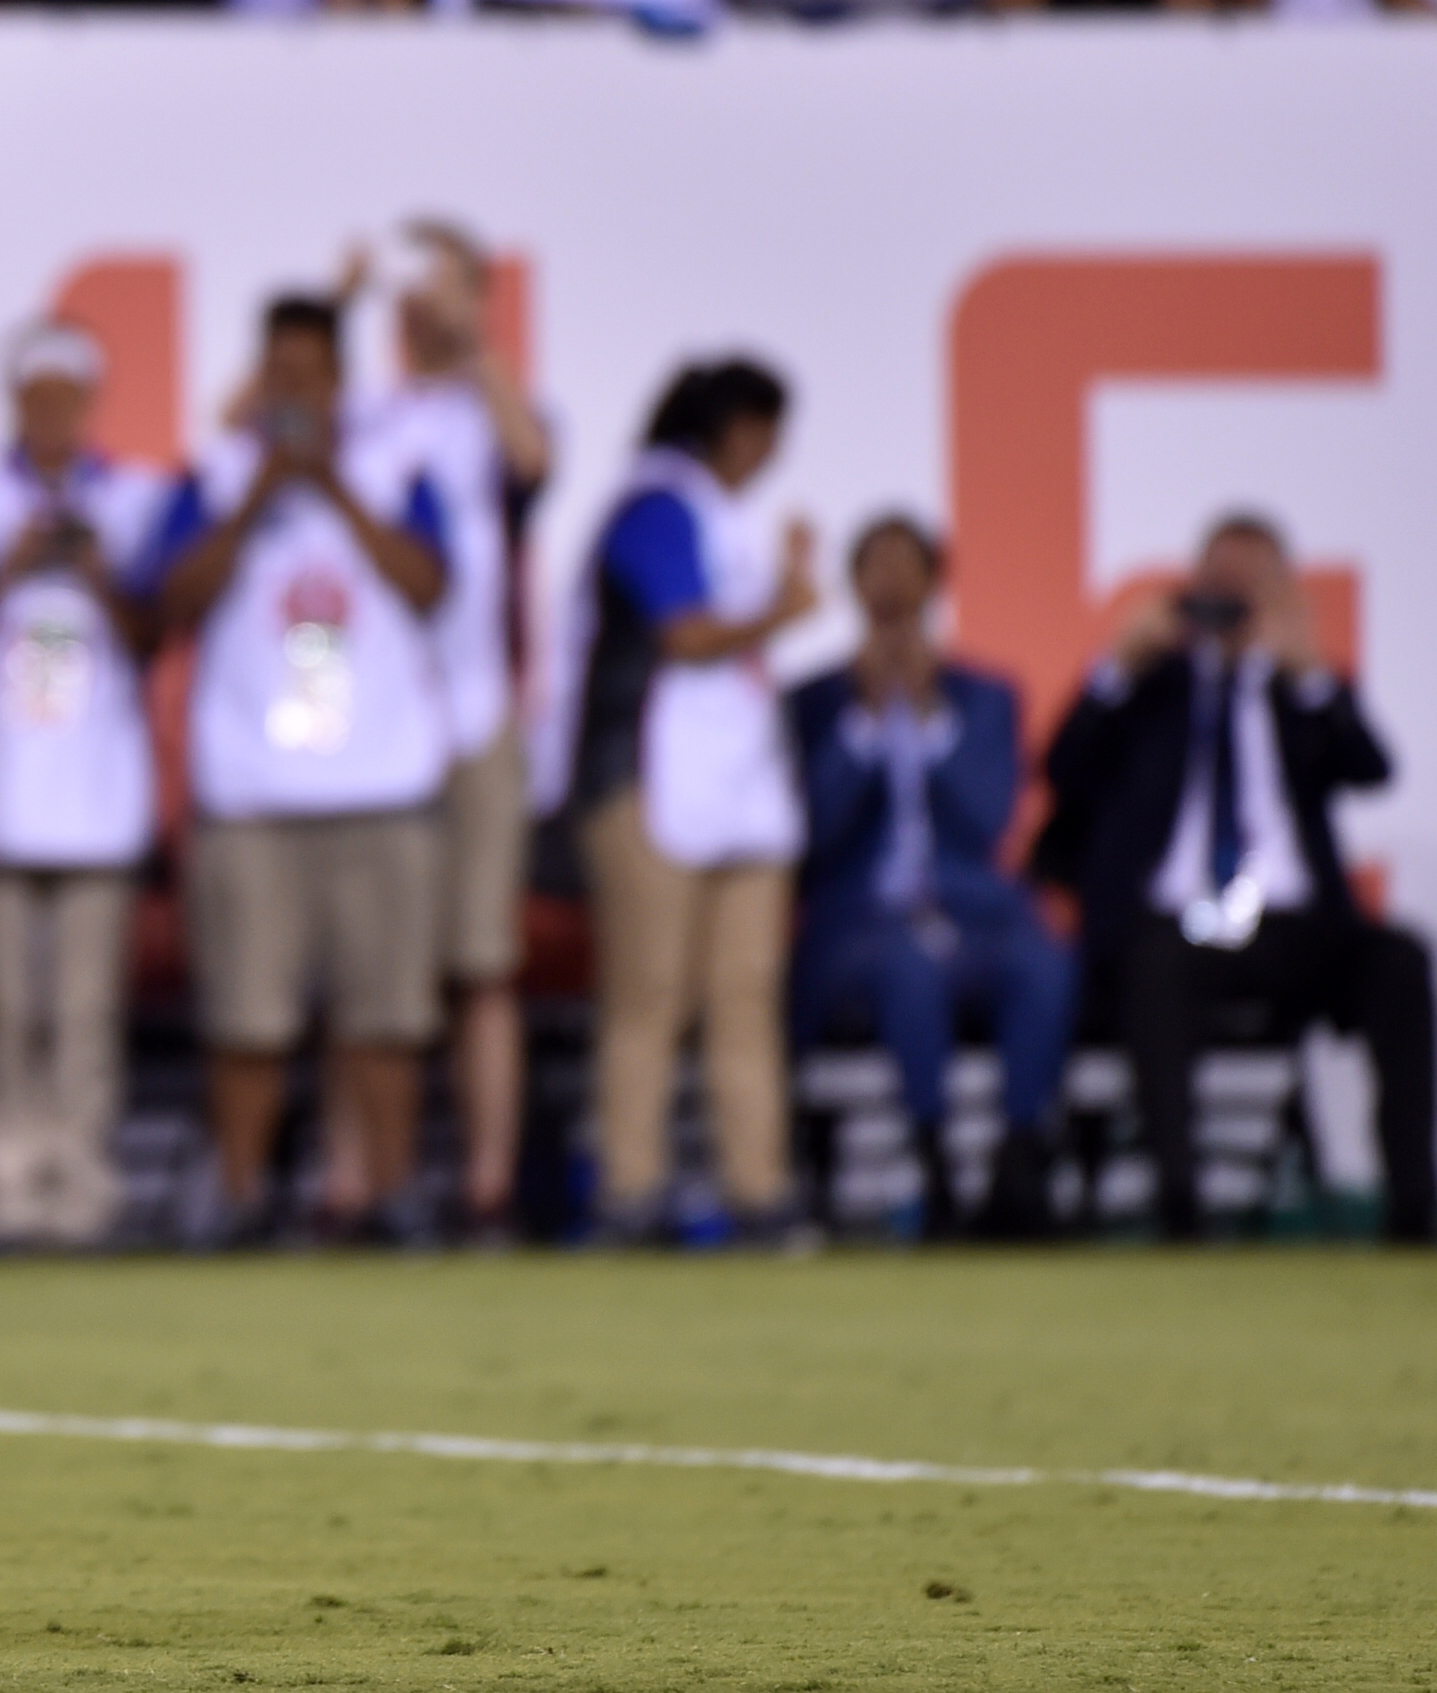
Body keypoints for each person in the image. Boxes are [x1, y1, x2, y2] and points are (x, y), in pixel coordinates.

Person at [1038, 514, 1433, 1243]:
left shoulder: (1299, 686)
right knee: (1151, 966)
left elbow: (1372, 768)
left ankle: (1413, 1202)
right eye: (1218, 579)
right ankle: (1181, 1204)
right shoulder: (1153, 686)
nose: (1231, 596)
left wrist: (1307, 669)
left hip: (1297, 925)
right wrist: (1117, 664)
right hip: (1177, 923)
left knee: (1400, 959)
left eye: (1252, 581)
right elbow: (1063, 770)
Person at [160, 295, 451, 1245]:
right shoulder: (216, 473)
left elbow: (429, 585)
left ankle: (393, 1194)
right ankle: (242, 1197)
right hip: (253, 797)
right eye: (277, 372)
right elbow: (173, 598)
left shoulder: (397, 467)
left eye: (310, 373)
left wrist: (333, 488)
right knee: (248, 1018)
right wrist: (260, 495)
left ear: (339, 377)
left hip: (381, 792)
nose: (293, 389)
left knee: (387, 1016)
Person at [573, 359, 813, 1243]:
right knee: (651, 992)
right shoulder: (657, 506)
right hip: (644, 777)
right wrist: (782, 610)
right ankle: (630, 1186)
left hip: (741, 786)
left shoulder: (731, 520)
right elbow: (685, 633)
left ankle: (760, 1189)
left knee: (744, 995)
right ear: (734, 429)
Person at [788, 516, 1074, 1239]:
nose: (890, 580)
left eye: (905, 563)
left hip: (972, 908)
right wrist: (863, 720)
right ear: (853, 583)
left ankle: (1020, 1152)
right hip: (861, 916)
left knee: (1042, 964)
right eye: (874, 564)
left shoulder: (985, 696)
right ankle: (932, 1158)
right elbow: (813, 828)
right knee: (907, 970)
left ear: (934, 579)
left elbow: (991, 820)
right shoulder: (815, 700)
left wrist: (929, 717)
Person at [0, 321, 171, 1248]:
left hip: (94, 791)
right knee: (4, 1005)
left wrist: (92, 568)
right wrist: (13, 565)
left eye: (65, 400)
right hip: (1, 784)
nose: (51, 417)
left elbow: (153, 629)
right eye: (35, 398)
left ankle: (78, 1182)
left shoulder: (131, 497)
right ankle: (4, 1183)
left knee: (85, 1008)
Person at [355, 221, 551, 1239]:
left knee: (483, 967)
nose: (428, 313)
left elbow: (533, 461)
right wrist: (343, 298)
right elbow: (259, 420)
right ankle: (369, 1180)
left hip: (473, 719)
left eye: (449, 295)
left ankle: (485, 1181)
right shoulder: (372, 415)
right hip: (373, 723)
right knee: (375, 972)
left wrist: (480, 348)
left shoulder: (493, 414)